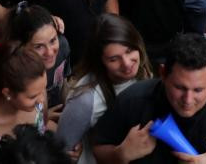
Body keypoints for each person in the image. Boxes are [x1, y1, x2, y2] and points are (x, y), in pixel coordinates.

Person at [91, 32, 206, 163]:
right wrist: (120, 155)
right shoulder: (133, 101)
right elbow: (98, 147)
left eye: (198, 90)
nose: (188, 99)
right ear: (163, 74)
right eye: (180, 87)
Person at [55, 14, 153, 163]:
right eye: (114, 59)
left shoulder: (143, 72)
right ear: (100, 61)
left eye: (129, 51)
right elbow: (61, 151)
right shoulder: (85, 100)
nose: (126, 63)